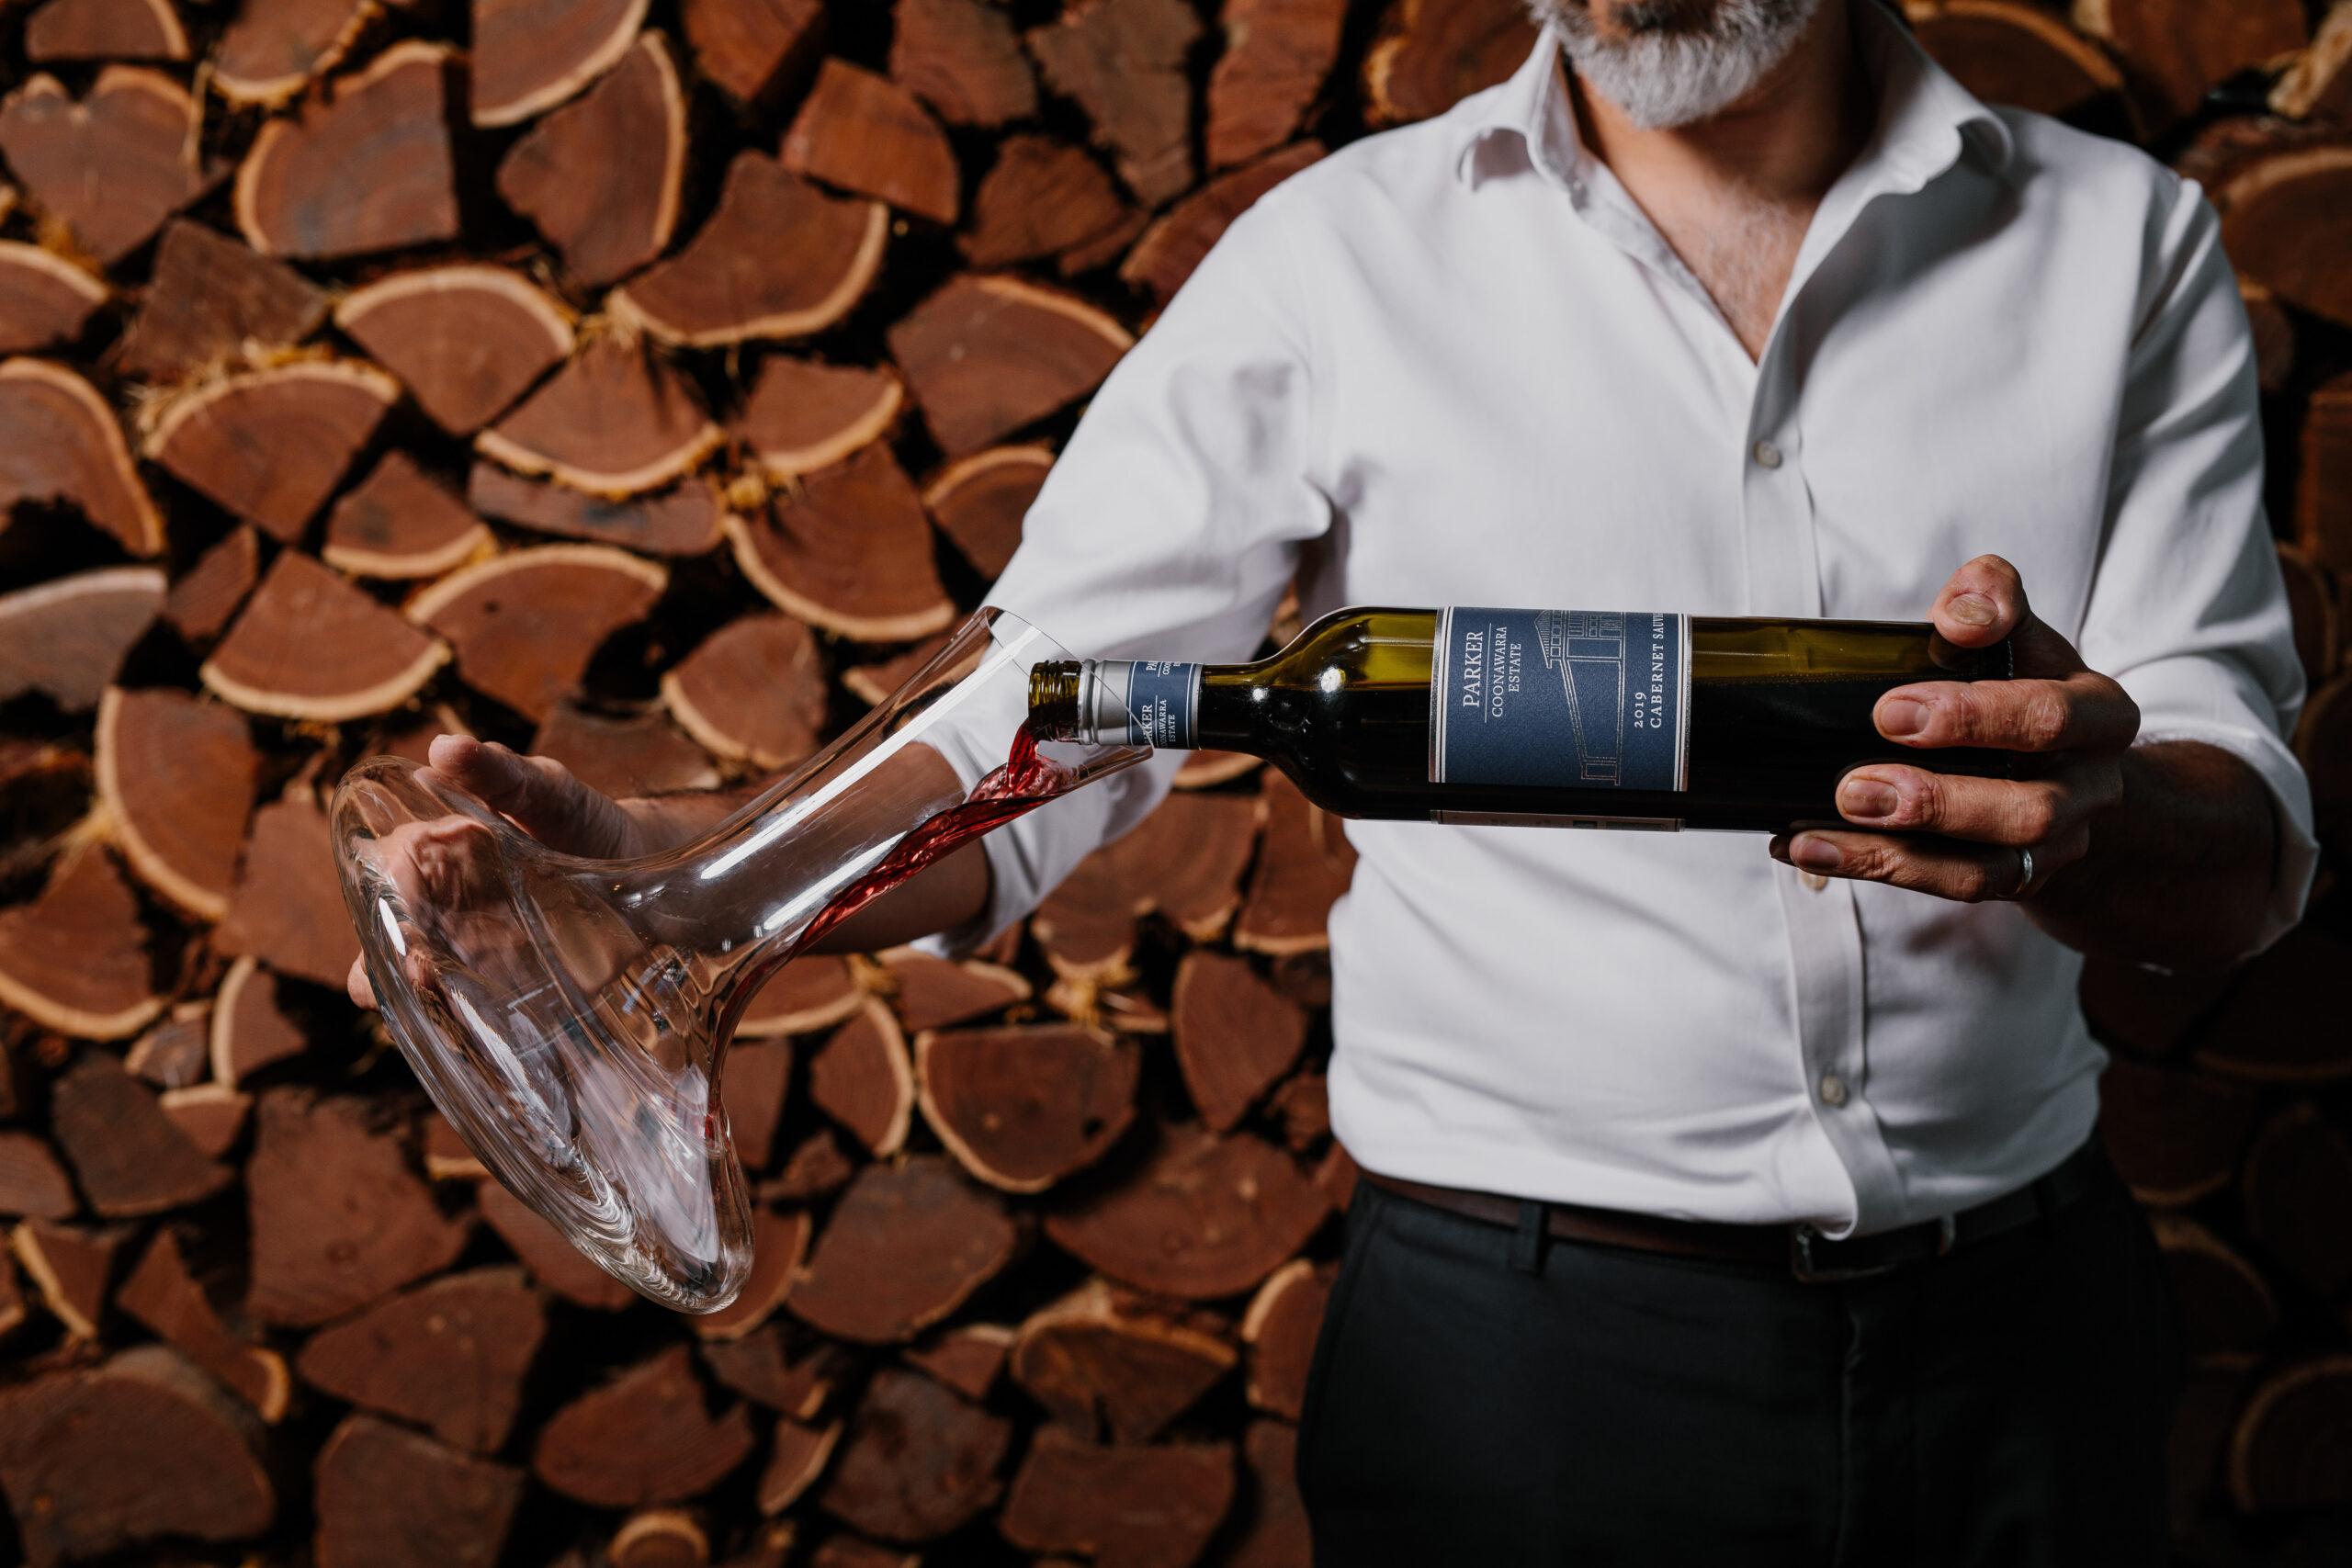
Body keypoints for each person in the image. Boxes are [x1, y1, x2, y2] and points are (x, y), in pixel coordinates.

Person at [356, 0, 2317, 1558]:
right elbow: (1037, 726)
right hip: (1519, 1369)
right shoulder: (1330, 264)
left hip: (2023, 1345)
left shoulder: (2116, 242)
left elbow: (2230, 851)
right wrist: (690, 872)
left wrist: (2103, 810)